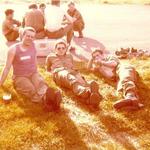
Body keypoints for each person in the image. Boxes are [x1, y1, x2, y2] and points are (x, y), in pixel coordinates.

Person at [0, 27, 62, 112]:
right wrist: (0, 82)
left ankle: (50, 100)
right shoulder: (13, 49)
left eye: (32, 37)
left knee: (40, 85)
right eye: (28, 36)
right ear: (22, 36)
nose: (30, 38)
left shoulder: (33, 45)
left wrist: (36, 72)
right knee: (31, 89)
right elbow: (7, 67)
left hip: (33, 73)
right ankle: (49, 101)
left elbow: (34, 59)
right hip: (20, 76)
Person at [46, 40, 102, 108]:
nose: (61, 50)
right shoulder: (50, 57)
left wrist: (76, 74)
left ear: (66, 49)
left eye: (63, 48)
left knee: (81, 80)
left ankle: (90, 97)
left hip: (72, 71)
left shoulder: (69, 55)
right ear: (55, 49)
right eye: (59, 48)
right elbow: (48, 69)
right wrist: (53, 74)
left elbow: (72, 66)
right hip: (60, 72)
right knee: (69, 77)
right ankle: (84, 91)